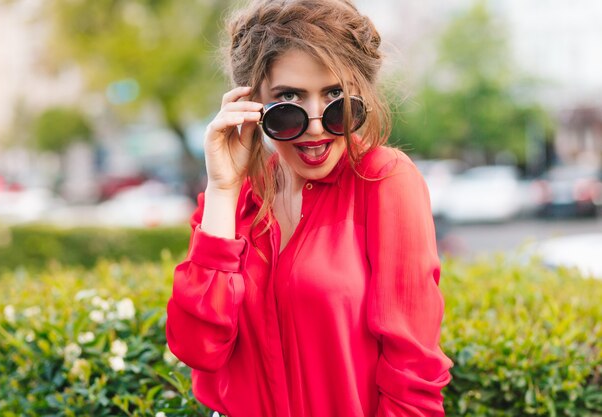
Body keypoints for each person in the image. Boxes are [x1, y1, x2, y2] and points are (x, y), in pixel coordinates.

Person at [166, 0, 453, 416]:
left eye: (335, 96)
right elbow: (198, 348)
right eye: (289, 99)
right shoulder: (234, 201)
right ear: (252, 104)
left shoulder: (385, 181)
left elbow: (413, 375)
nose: (316, 126)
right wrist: (224, 190)